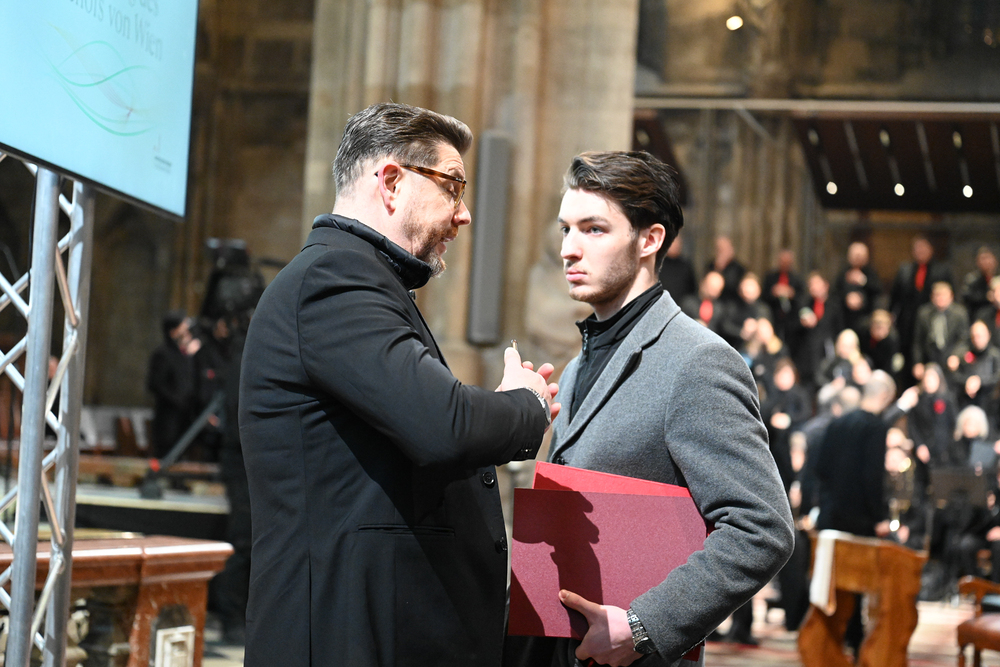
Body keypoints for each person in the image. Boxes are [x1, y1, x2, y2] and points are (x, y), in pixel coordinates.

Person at [239, 103, 558, 667]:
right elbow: (446, 425)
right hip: (343, 635)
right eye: (452, 187)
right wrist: (526, 402)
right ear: (391, 182)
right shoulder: (335, 279)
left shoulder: (361, 280)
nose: (464, 215)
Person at [505, 151, 793, 667]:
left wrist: (643, 626)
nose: (568, 249)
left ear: (649, 240)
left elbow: (762, 527)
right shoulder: (577, 366)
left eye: (593, 229)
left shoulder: (698, 361)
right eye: (566, 229)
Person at [890, 236, 953, 381]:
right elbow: (895, 296)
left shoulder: (941, 270)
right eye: (917, 248)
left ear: (931, 250)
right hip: (907, 322)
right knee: (908, 356)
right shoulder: (904, 270)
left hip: (931, 319)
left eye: (924, 248)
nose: (920, 251)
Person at [147, 310, 200, 458]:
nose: (187, 333)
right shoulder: (163, 354)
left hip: (184, 419)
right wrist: (178, 400)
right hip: (168, 420)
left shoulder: (184, 355)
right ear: (173, 332)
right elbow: (155, 384)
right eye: (183, 328)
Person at [911, 282, 969, 381]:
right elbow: (918, 341)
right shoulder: (924, 313)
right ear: (932, 297)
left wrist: (956, 356)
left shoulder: (960, 314)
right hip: (930, 360)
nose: (940, 298)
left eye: (943, 295)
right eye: (937, 295)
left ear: (951, 296)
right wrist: (918, 362)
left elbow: (964, 339)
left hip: (951, 360)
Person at [834, 242, 882, 338]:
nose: (857, 258)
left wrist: (863, 281)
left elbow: (878, 291)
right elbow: (835, 293)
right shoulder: (843, 273)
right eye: (855, 255)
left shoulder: (870, 273)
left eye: (860, 256)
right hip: (845, 318)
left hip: (866, 318)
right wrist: (847, 298)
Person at [763, 249, 806, 342]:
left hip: (791, 320)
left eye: (787, 262)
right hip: (774, 316)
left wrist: (791, 294)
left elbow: (802, 299)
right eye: (783, 261)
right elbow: (763, 297)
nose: (785, 264)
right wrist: (773, 293)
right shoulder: (770, 278)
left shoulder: (797, 279)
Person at [681, 271, 728, 336]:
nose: (712, 293)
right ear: (702, 284)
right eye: (710, 287)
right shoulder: (688, 302)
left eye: (716, 290)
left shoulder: (720, 310)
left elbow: (724, 329)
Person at [706, 235, 746, 304]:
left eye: (724, 249)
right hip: (714, 302)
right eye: (719, 249)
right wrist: (718, 268)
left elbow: (734, 287)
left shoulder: (738, 268)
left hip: (733, 303)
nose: (721, 252)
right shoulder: (711, 266)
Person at [657, 234, 697, 303]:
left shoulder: (686, 266)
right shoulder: (658, 264)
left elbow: (692, 289)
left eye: (678, 243)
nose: (675, 246)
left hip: (681, 305)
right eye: (673, 243)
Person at [962, 246, 998, 317]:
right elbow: (967, 298)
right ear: (977, 262)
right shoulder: (971, 279)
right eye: (983, 259)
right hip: (979, 315)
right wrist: (987, 297)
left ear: (995, 260)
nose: (986, 262)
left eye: (988, 258)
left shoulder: (998, 276)